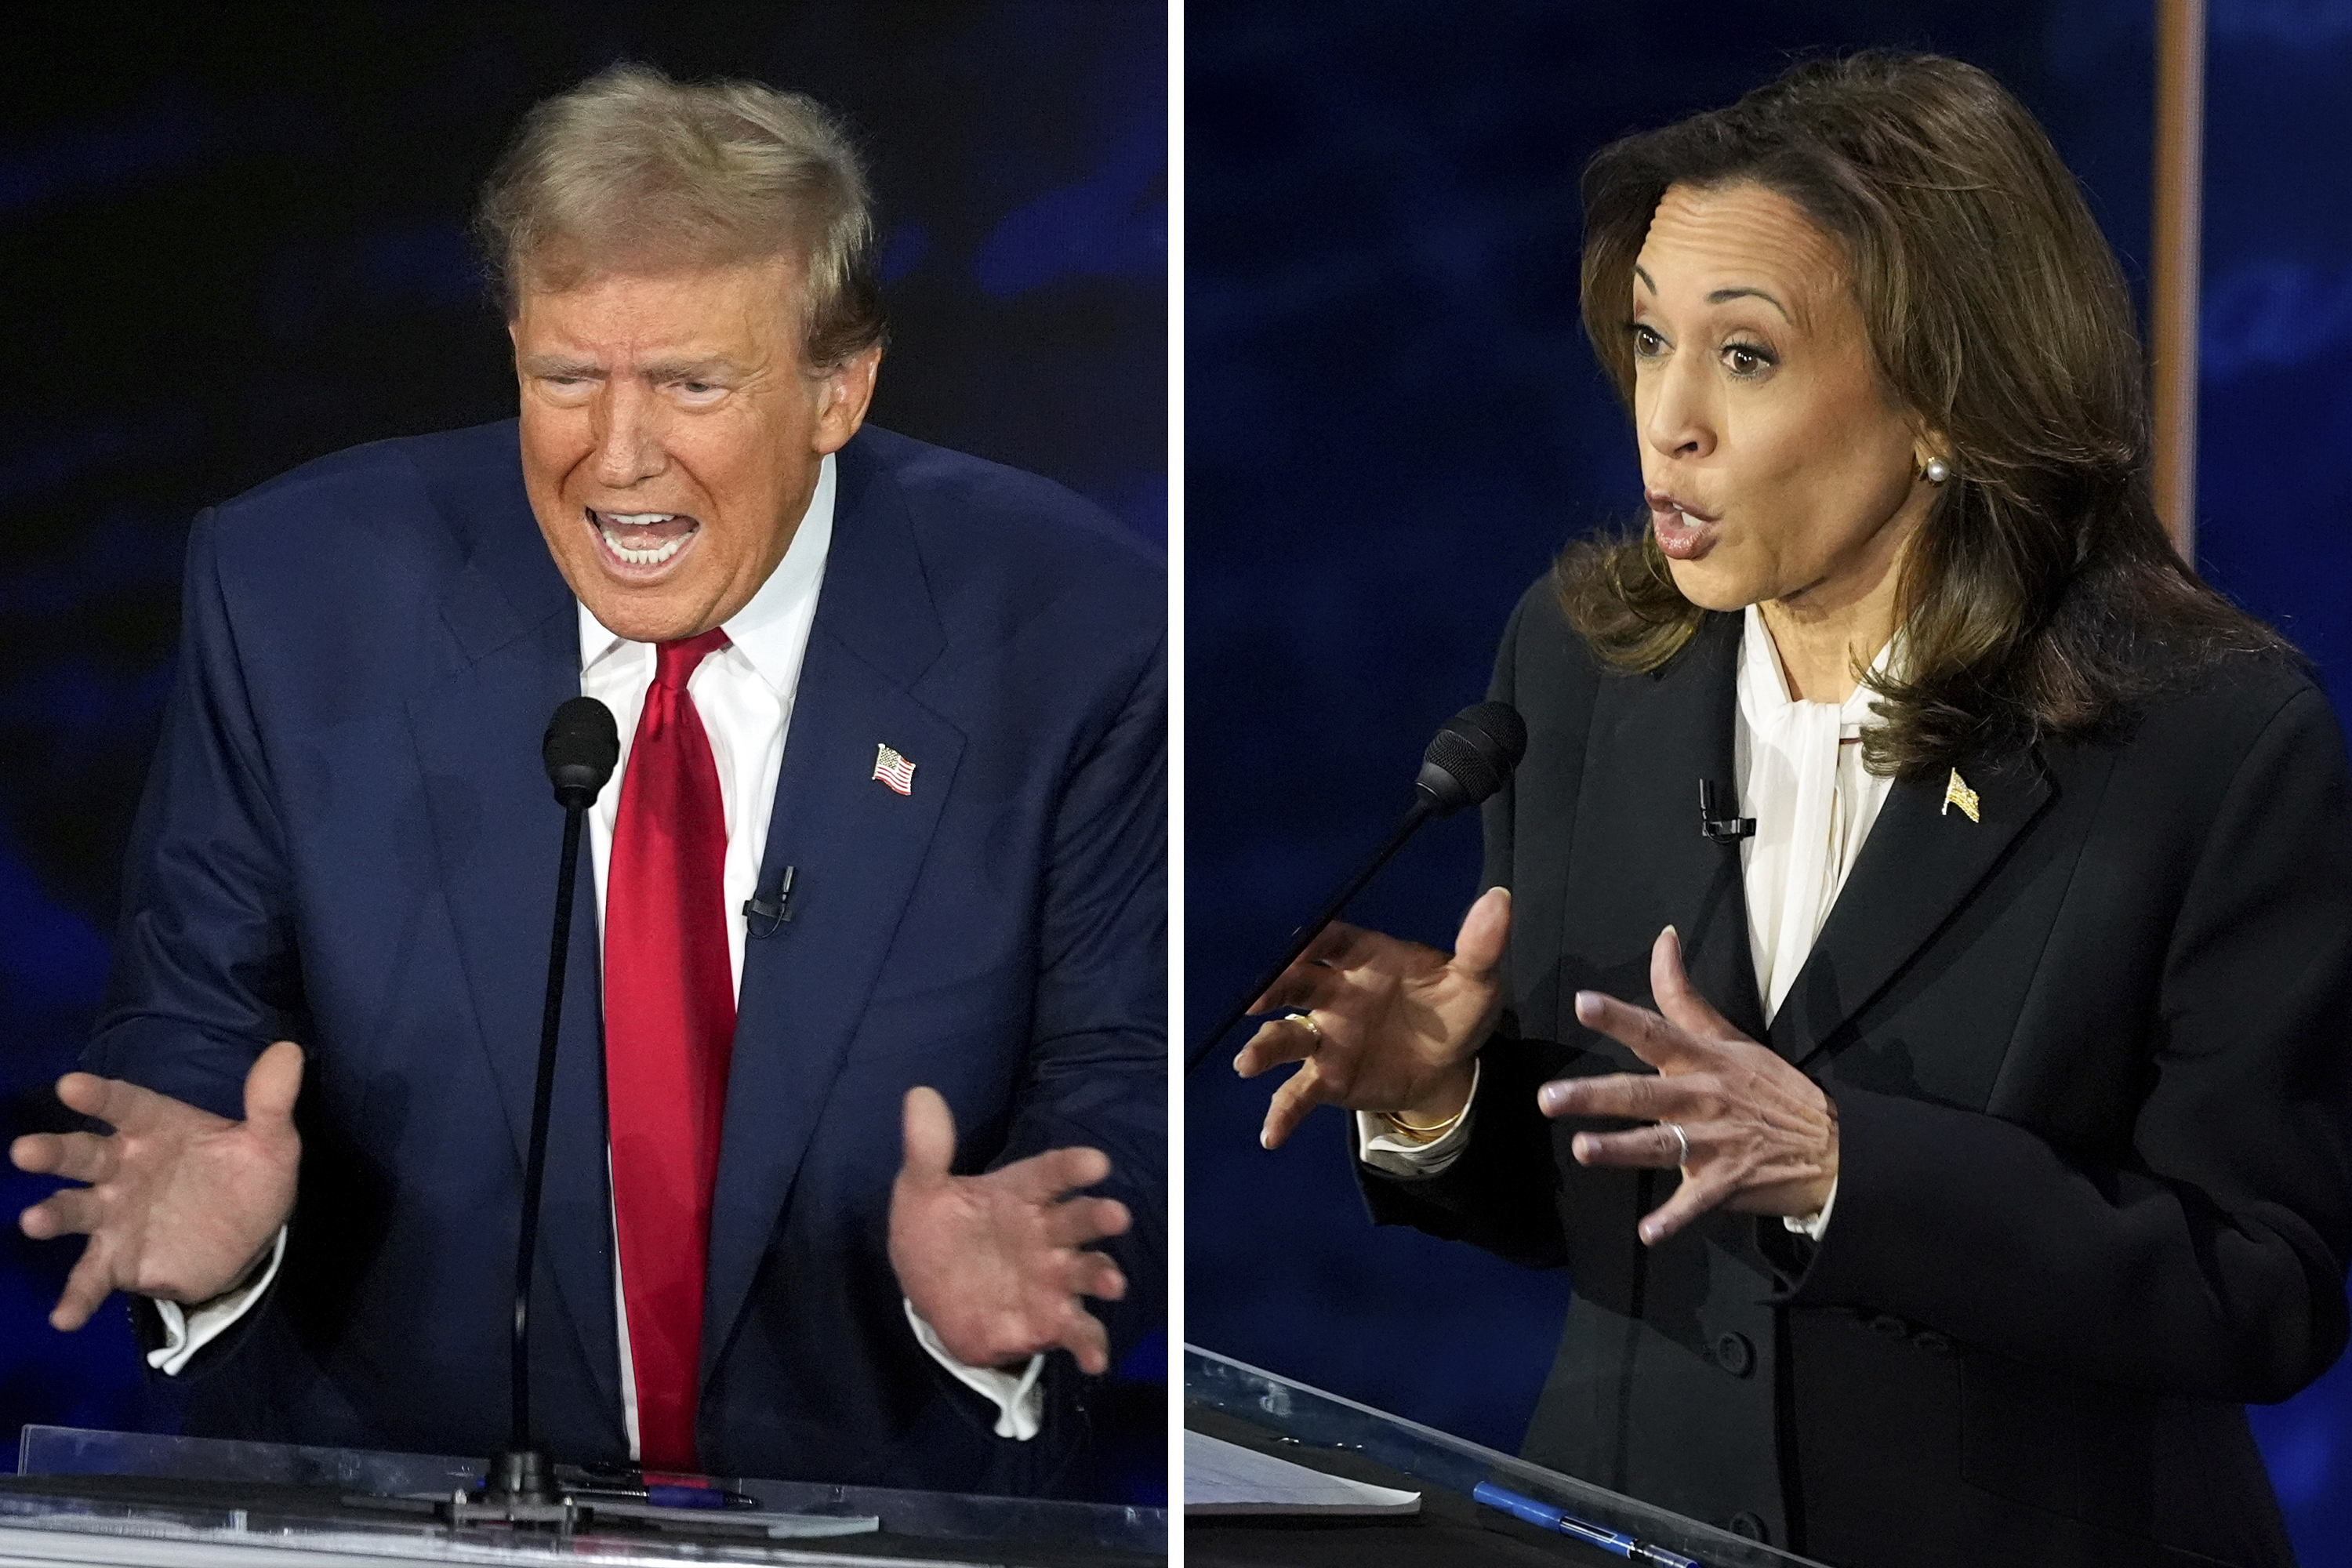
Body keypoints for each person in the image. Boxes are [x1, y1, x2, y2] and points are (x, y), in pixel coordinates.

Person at [1234, 51, 2352, 1567]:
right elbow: (1623, 1206)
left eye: (1744, 356)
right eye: (1647, 342)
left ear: (1949, 395)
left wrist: (1848, 1169)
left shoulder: (2207, 740)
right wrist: (1445, 1102)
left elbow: (2263, 1288)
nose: (1667, 421)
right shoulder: (1576, 668)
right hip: (1633, 1526)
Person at [9, 64, 1163, 1498]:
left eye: (690, 382)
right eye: (565, 377)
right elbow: (193, 1024)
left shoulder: (1069, 626)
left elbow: (1120, 1070)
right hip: (396, 1502)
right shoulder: (293, 595)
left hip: (887, 1499)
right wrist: (211, 1240)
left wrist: (1028, 1257)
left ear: (837, 387)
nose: (617, 460)